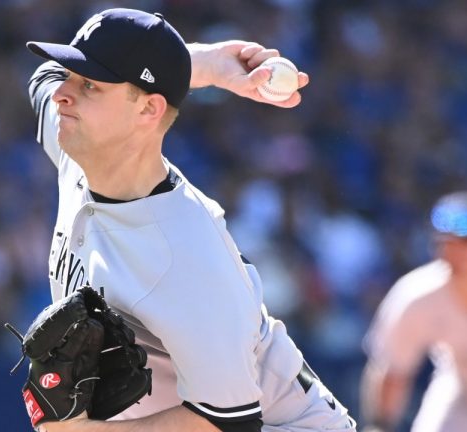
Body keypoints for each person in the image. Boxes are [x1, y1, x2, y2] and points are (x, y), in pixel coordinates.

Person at [24, 7, 356, 432]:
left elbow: (228, 422)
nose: (62, 96)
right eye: (72, 77)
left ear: (148, 111)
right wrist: (203, 65)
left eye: (89, 84)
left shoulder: (186, 255)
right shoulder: (81, 143)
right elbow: (44, 77)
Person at [361, 191, 467, 432]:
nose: (457, 253)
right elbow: (392, 369)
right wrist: (379, 426)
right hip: (465, 400)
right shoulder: (419, 296)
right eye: (446, 243)